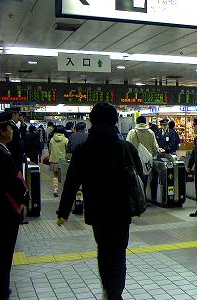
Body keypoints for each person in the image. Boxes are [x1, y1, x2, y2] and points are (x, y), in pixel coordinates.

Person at [57, 103, 143, 300]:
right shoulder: (125, 148)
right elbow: (141, 176)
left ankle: (108, 289)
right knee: (119, 253)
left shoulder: (83, 149)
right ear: (115, 121)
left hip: (97, 211)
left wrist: (63, 212)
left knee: (104, 251)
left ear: (91, 121)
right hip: (121, 211)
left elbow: (71, 183)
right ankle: (115, 294)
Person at [0, 112, 29, 300]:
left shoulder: (0, 150)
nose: (12, 131)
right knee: (4, 252)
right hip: (5, 212)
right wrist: (25, 196)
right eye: (9, 127)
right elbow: (13, 184)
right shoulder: (1, 154)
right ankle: (2, 289)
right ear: (1, 131)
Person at [49, 125, 69, 197]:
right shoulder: (66, 140)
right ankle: (64, 191)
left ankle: (55, 190)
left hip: (54, 160)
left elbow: (50, 150)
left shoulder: (52, 139)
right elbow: (67, 151)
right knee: (64, 176)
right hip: (63, 161)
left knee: (55, 176)